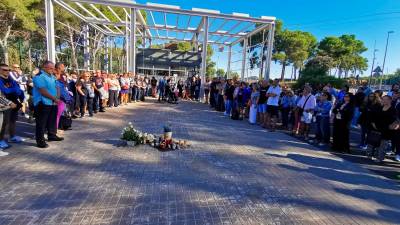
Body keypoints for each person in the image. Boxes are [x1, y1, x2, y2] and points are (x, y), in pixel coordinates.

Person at [33, 61, 64, 148]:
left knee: (52, 120)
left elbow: (57, 87)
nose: (52, 69)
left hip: (53, 102)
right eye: (50, 68)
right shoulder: (39, 77)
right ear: (44, 68)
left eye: (53, 68)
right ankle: (40, 141)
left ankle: (52, 135)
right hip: (43, 103)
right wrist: (54, 98)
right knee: (41, 122)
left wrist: (57, 98)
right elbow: (42, 91)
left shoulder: (52, 76)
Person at [0, 63, 25, 145]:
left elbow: (18, 89)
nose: (7, 71)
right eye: (4, 70)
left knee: (12, 121)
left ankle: (12, 137)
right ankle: (1, 140)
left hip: (14, 102)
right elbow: (4, 91)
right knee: (3, 123)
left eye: (8, 70)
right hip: (4, 104)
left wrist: (21, 94)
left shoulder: (10, 79)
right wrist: (14, 89)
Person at [370, 95, 397, 162]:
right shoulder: (380, 107)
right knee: (377, 143)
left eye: (386, 99)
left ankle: (380, 158)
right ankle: (375, 155)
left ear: (390, 100)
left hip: (387, 130)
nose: (384, 101)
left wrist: (393, 126)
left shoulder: (393, 109)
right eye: (383, 99)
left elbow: (395, 120)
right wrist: (373, 123)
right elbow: (375, 116)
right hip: (378, 128)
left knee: (383, 144)